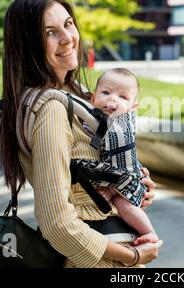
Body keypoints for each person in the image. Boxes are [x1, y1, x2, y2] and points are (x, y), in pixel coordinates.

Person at [0, 0, 163, 268]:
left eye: (68, 24)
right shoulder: (49, 107)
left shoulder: (74, 98)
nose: (67, 38)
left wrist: (129, 185)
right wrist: (132, 256)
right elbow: (57, 222)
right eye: (50, 32)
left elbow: (84, 183)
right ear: (29, 44)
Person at [77, 67, 158, 245]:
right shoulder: (92, 120)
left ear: (132, 108)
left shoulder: (121, 131)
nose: (112, 99)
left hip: (128, 178)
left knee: (124, 205)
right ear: (92, 98)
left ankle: (149, 231)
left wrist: (112, 190)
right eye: (105, 92)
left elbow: (125, 168)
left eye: (123, 97)